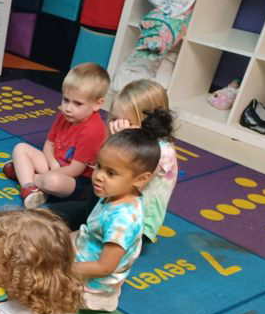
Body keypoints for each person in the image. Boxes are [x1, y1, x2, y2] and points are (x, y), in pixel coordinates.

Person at [47, 79, 178, 239]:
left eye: (125, 122)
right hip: (105, 206)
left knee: (61, 241)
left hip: (133, 224)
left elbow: (129, 183)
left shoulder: (162, 151)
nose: (115, 125)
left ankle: (84, 233)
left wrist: (125, 142)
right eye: (114, 119)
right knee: (46, 215)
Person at [75, 110, 173, 311]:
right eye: (99, 166)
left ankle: (101, 300)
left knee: (33, 284)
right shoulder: (115, 195)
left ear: (141, 179)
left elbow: (105, 267)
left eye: (110, 173)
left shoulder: (123, 220)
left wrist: (61, 269)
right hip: (85, 254)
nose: (99, 176)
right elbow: (89, 230)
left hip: (92, 288)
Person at [2, 62, 110, 209]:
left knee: (53, 182)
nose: (68, 108)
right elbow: (49, 144)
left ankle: (22, 173)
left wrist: (51, 172)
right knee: (20, 148)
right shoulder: (64, 115)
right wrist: (52, 164)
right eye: (66, 100)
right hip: (54, 166)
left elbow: (75, 170)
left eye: (78, 104)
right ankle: (28, 188)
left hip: (75, 181)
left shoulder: (93, 130)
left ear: (97, 104)